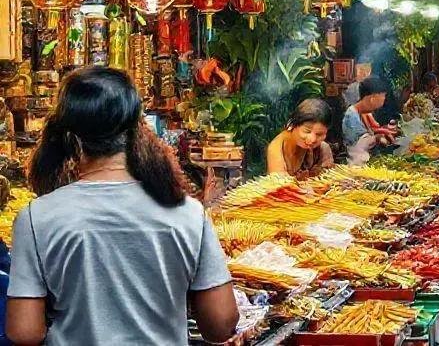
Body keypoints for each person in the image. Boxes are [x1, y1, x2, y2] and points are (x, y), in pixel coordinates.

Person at [6, 67, 237, 345]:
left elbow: (24, 332)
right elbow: (221, 324)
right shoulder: (186, 213)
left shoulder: (36, 217)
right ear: (136, 132)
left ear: (71, 138)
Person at [266, 99, 335, 179]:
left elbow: (329, 179)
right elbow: (280, 186)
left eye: (319, 134)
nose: (312, 139)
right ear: (294, 125)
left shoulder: (322, 148)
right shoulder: (276, 149)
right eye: (307, 131)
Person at [343, 76, 395, 164]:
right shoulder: (351, 115)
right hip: (357, 165)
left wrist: (384, 131)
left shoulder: (365, 112)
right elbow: (358, 144)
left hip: (368, 162)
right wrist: (377, 138)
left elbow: (373, 130)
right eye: (383, 97)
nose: (384, 100)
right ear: (372, 98)